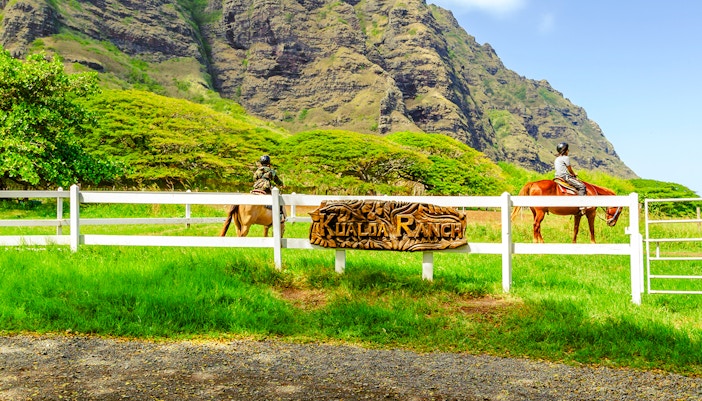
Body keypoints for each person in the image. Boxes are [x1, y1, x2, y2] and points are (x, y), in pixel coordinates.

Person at [554, 142, 587, 212]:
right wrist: (574, 174)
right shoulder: (566, 158)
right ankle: (582, 206)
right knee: (582, 186)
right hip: (564, 177)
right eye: (567, 150)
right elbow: (570, 169)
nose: (568, 151)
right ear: (565, 150)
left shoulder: (557, 159)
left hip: (557, 177)